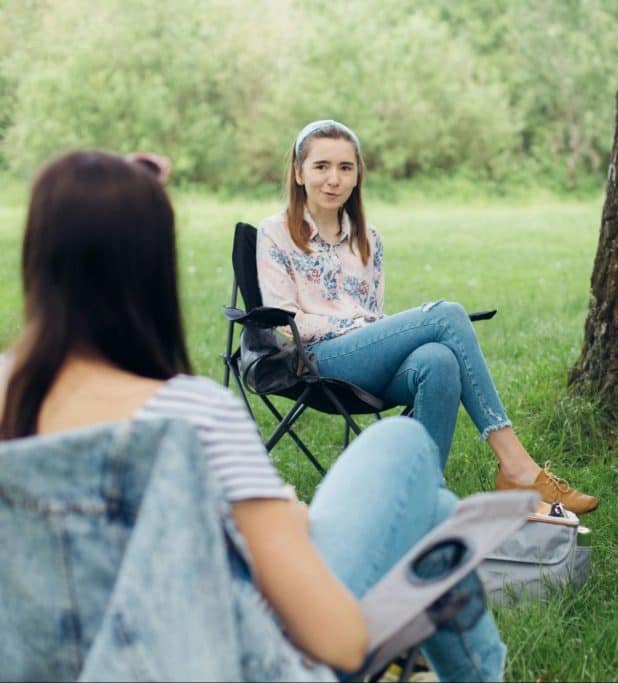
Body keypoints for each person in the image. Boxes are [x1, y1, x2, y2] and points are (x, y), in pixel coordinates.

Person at [0, 150, 506, 681]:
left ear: (35, 259)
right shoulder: (188, 418)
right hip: (238, 663)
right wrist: (281, 525)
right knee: (403, 447)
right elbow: (339, 641)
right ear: (154, 272)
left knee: (433, 505)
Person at [256, 119, 599, 514]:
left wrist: (371, 329)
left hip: (368, 357)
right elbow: (285, 320)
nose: (333, 179)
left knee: (439, 360)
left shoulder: (368, 238)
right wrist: (357, 327)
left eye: (345, 168)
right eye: (321, 166)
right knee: (446, 315)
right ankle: (517, 467)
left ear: (357, 175)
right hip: (315, 359)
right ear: (299, 172)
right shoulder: (275, 232)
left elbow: (373, 310)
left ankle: (423, 496)